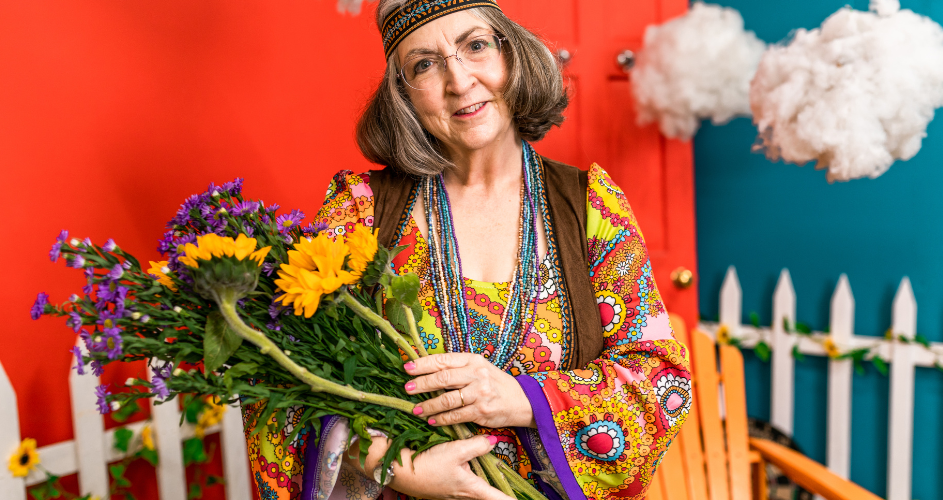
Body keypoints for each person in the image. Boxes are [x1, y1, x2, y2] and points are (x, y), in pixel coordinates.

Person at [241, 1, 692, 499]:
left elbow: (660, 384)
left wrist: (523, 399)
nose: (459, 81)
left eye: (476, 46)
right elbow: (284, 384)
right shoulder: (361, 214)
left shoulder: (590, 209)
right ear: (403, 96)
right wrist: (396, 467)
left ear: (513, 57)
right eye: (425, 65)